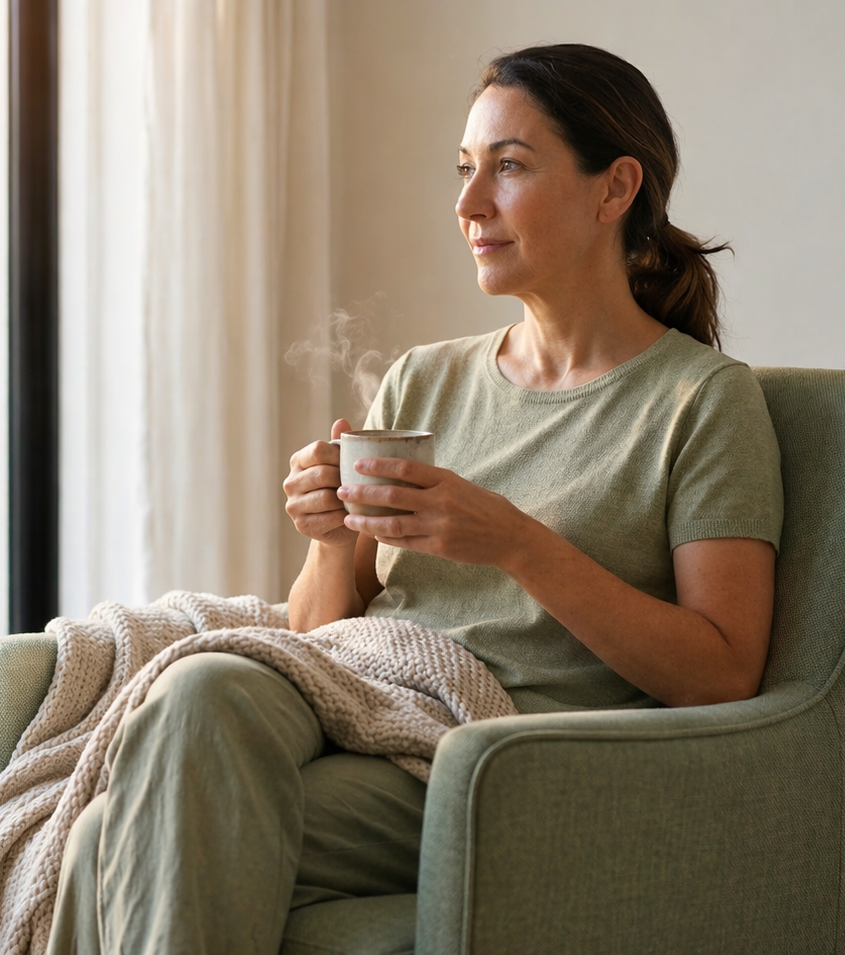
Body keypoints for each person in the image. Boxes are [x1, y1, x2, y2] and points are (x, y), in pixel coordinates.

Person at [48, 43, 783, 955]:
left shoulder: (703, 402)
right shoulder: (421, 380)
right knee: (203, 680)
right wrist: (324, 539)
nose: (469, 204)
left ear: (614, 187)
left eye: (508, 167)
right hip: (361, 700)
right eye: (465, 170)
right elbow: (316, 636)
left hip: (501, 757)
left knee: (102, 837)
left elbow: (721, 669)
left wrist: (517, 543)